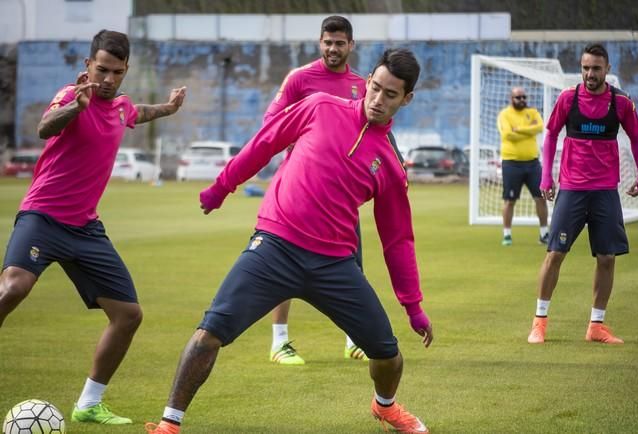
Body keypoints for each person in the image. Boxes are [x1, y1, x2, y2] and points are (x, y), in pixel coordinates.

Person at [145, 48, 433, 434]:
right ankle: (169, 423)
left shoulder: (391, 166)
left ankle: (385, 407)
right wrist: (222, 185)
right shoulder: (319, 106)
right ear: (367, 82)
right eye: (375, 88)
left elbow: (397, 239)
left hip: (333, 265)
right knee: (209, 333)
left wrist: (413, 306)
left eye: (390, 95)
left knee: (389, 354)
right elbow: (265, 142)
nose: (377, 100)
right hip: (275, 247)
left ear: (406, 99)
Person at [0, 30, 186, 425]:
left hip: (85, 228)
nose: (107, 79)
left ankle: (88, 403)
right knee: (13, 287)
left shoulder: (121, 107)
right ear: (87, 65)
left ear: (125, 71)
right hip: (44, 216)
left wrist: (169, 108)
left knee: (129, 315)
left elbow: (139, 111)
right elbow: (45, 128)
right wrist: (76, 108)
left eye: (116, 72)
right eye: (101, 69)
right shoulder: (71, 95)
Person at [263, 15, 371, 365]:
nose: (333, 48)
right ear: (319, 42)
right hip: (301, 192)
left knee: (351, 264)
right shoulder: (300, 79)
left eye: (340, 42)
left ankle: (354, 338)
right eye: (327, 42)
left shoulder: (362, 85)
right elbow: (272, 123)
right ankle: (280, 343)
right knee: (283, 265)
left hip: (342, 195)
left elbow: (371, 134)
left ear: (351, 45)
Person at [527, 43, 638, 345]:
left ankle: (596, 326)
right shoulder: (568, 99)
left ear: (607, 70)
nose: (589, 73)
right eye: (585, 68)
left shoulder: (621, 103)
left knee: (607, 258)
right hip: (572, 189)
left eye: (595, 68)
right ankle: (539, 323)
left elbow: (636, 138)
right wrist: (547, 176)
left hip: (606, 190)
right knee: (555, 253)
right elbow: (551, 134)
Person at [496, 86, 548, 246]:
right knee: (509, 200)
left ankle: (544, 233)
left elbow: (539, 127)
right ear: (511, 98)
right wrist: (528, 131)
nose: (522, 100)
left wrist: (519, 129)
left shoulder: (532, 113)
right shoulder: (504, 115)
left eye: (524, 97)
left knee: (541, 198)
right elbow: (507, 134)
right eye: (518, 97)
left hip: (533, 163)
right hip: (511, 163)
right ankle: (507, 235)